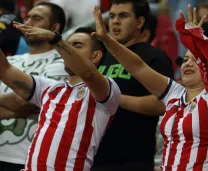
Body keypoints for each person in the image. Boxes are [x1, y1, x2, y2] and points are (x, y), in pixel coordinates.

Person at [91, 4, 208, 170]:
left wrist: (200, 40)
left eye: (197, 59)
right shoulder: (174, 93)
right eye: (185, 60)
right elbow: (137, 67)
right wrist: (108, 41)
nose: (188, 64)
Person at [0, 21, 121, 170]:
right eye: (66, 45)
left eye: (76, 45)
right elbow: (5, 70)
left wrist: (55, 39)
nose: (65, 51)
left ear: (96, 56)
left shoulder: (107, 89)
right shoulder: (49, 88)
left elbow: (87, 73)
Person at [92, 1, 174, 171]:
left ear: (140, 22)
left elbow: (163, 104)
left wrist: (113, 97)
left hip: (132, 160)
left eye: (124, 16)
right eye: (112, 16)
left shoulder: (155, 57)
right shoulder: (104, 56)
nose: (115, 21)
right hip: (96, 157)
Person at [0, 2, 68, 170]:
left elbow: (29, 102)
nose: (28, 23)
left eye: (36, 18)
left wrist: (27, 104)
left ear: (54, 27)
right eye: (27, 18)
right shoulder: (9, 61)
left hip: (30, 159)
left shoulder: (63, 63)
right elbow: (26, 103)